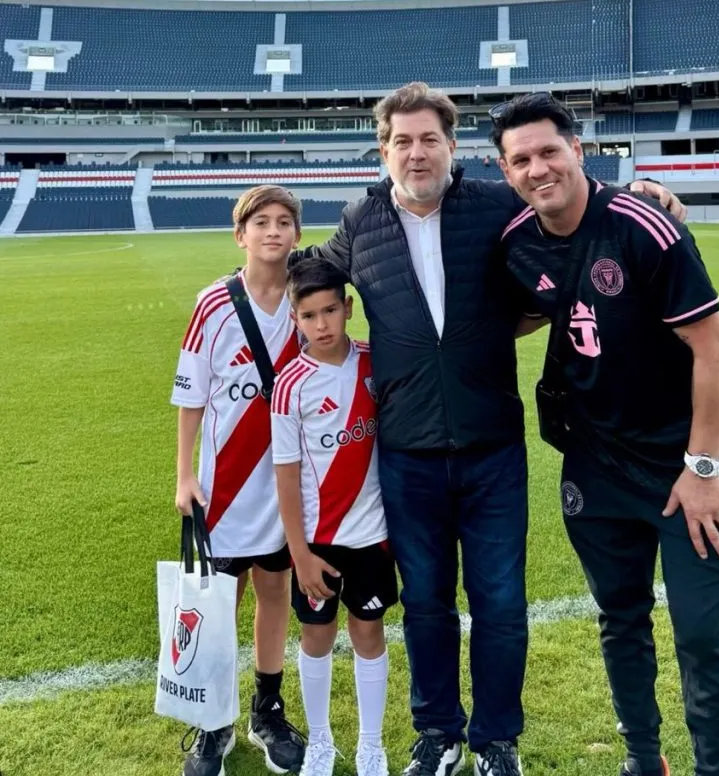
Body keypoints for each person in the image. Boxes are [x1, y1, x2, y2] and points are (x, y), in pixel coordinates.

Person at [293, 82, 684, 776]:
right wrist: (254, 266)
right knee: (427, 605)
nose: (415, 153)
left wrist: (641, 187)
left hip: (491, 447)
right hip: (407, 453)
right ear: (383, 151)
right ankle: (437, 734)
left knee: (501, 602)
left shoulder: (497, 206)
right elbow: (307, 273)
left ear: (451, 146)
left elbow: (567, 201)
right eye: (401, 141)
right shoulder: (359, 221)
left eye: (428, 139)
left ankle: (496, 740)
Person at [493, 92, 719, 776]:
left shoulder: (642, 225)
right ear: (504, 170)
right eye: (521, 160)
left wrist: (700, 469)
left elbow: (713, 350)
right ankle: (641, 759)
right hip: (595, 464)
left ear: (577, 149)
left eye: (548, 151)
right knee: (620, 618)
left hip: (681, 463)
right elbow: (523, 309)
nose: (537, 168)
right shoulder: (515, 241)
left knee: (698, 628)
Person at [171, 185, 306, 776]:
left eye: (284, 222)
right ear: (240, 235)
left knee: (276, 592)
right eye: (261, 223)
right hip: (223, 490)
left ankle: (266, 710)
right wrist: (183, 476)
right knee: (221, 602)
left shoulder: (310, 299)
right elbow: (191, 398)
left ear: (297, 235)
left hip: (285, 486)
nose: (273, 232)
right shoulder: (213, 305)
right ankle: (213, 718)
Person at [272, 258, 397, 776]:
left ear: (349, 308)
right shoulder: (289, 385)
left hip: (372, 536)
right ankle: (321, 742)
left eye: (330, 311)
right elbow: (285, 474)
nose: (322, 325)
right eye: (308, 316)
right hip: (316, 543)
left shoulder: (375, 362)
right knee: (316, 636)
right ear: (294, 319)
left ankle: (371, 745)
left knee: (369, 632)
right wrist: (298, 554)